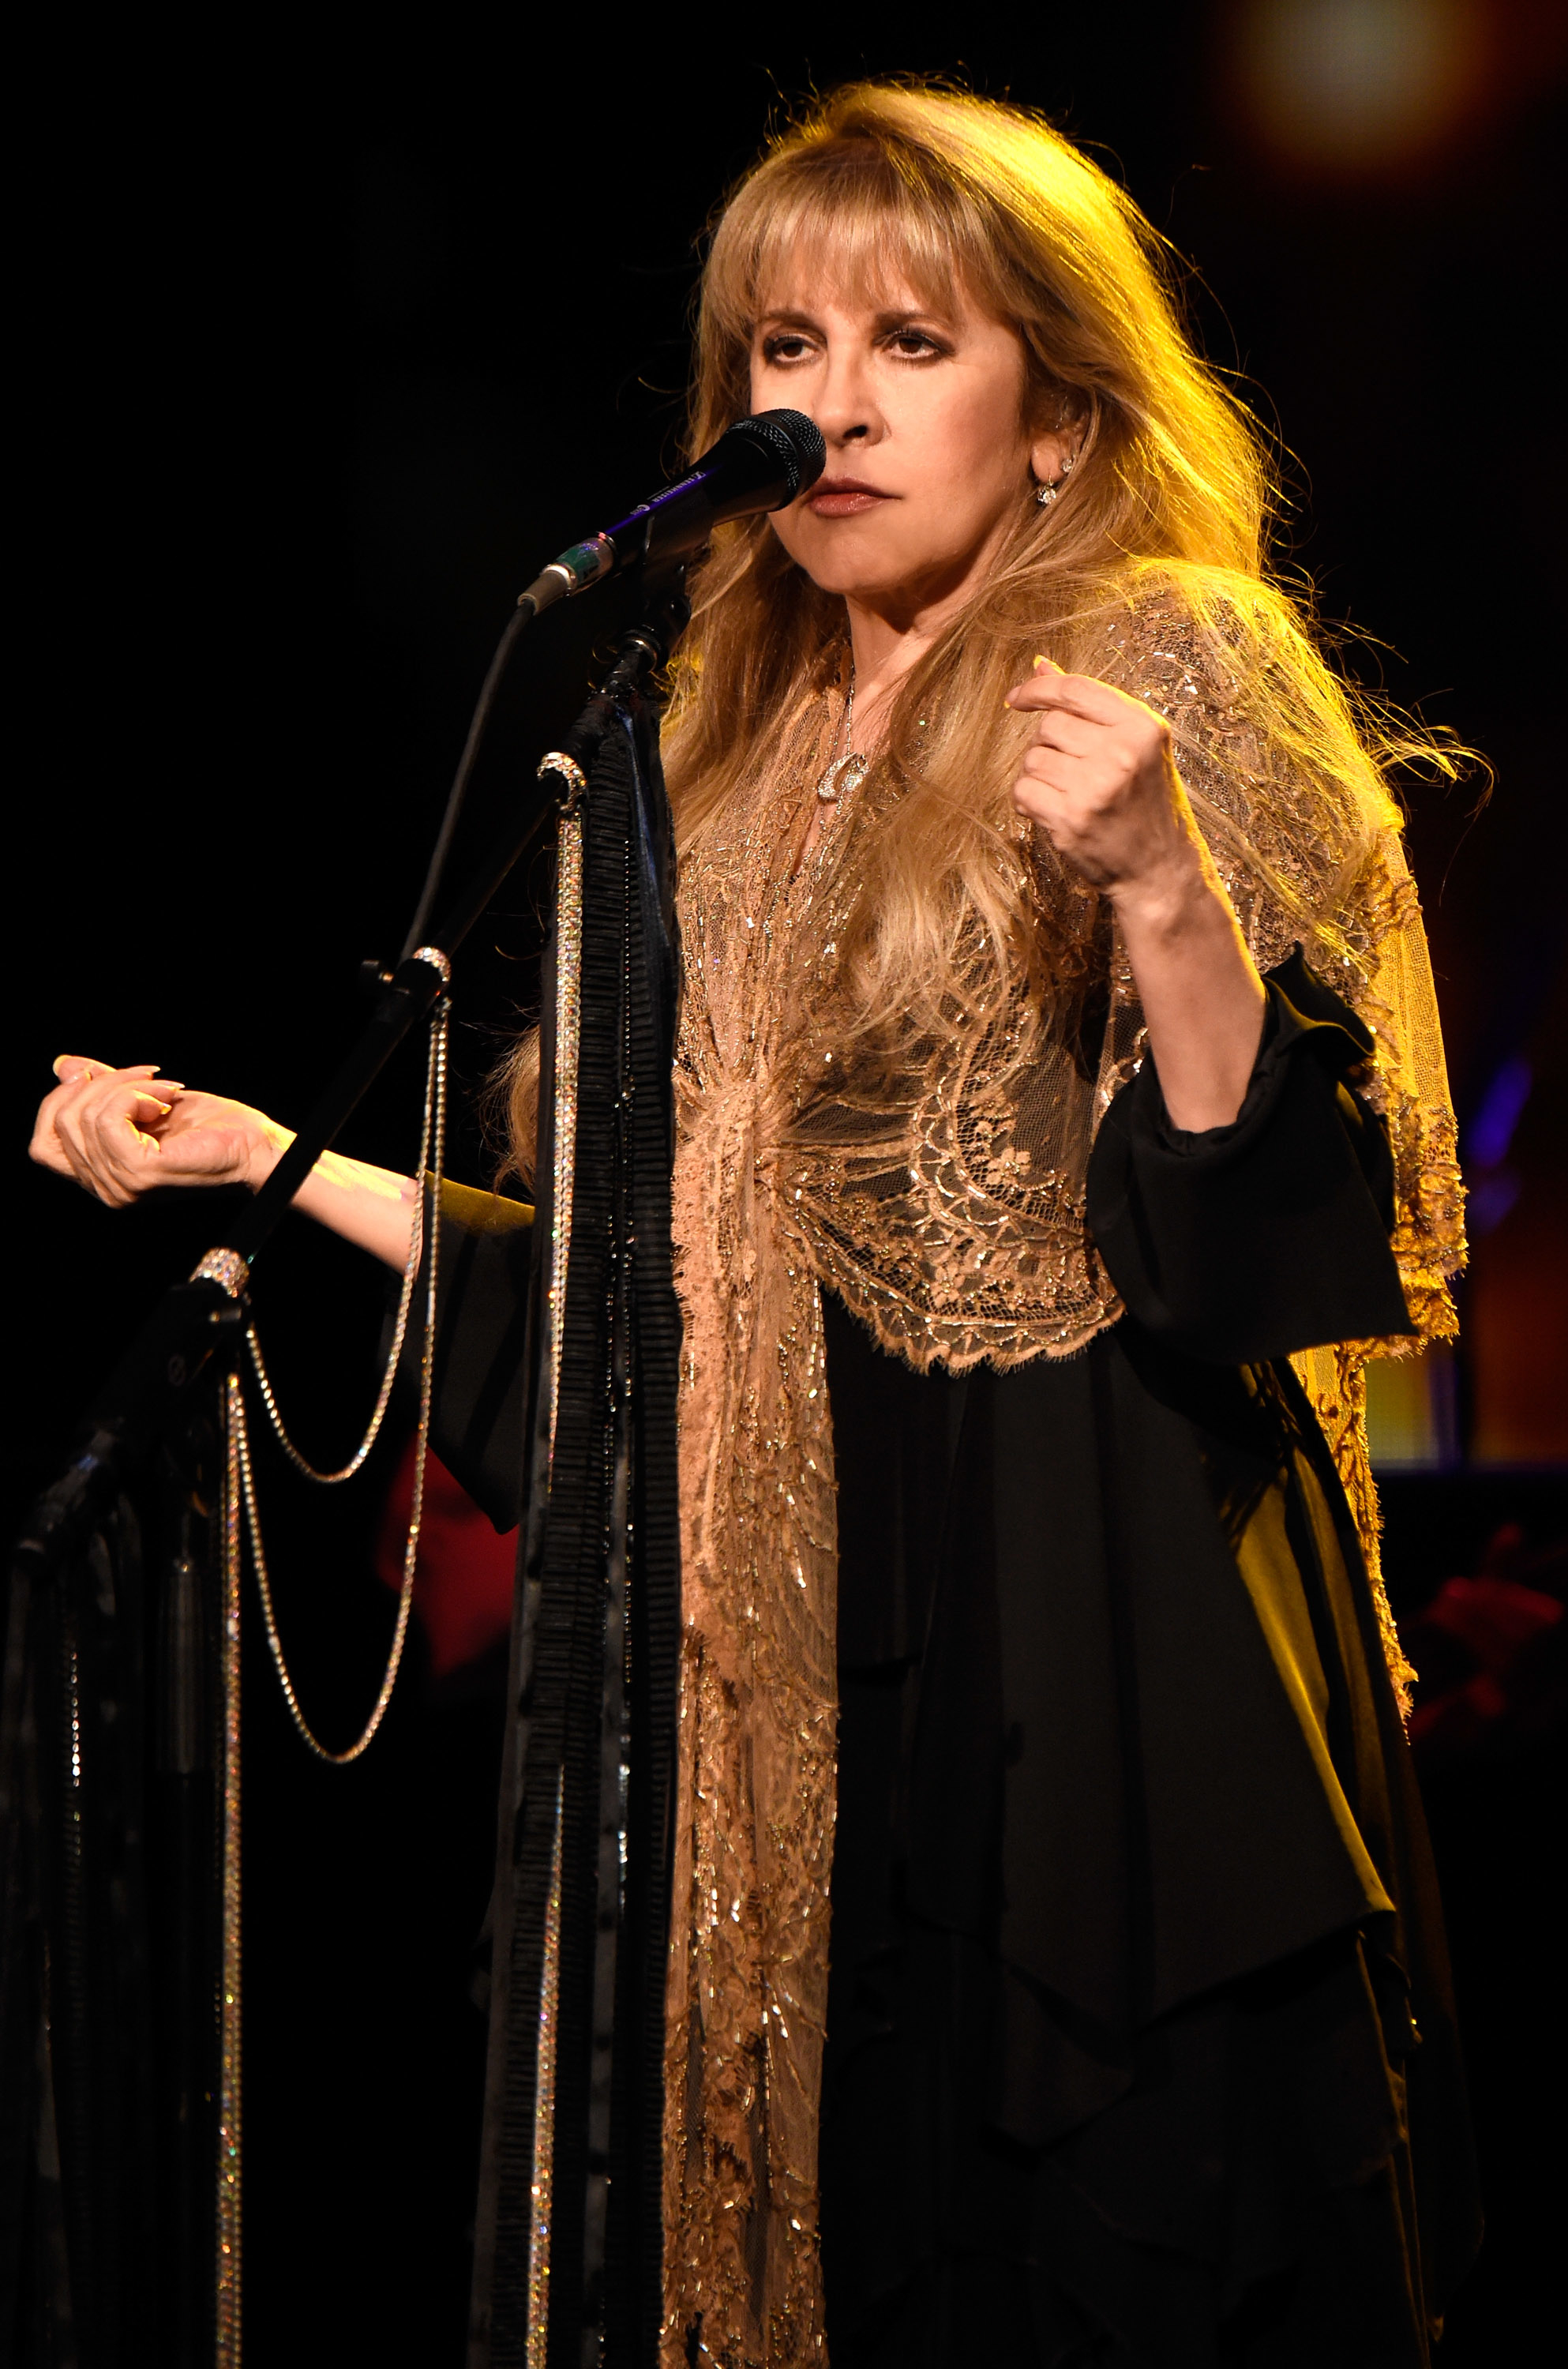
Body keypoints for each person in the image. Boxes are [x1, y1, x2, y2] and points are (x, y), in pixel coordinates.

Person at [32, 81, 1478, 2369]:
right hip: (789, 1663)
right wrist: (270, 1162)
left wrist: (1165, 889)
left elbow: (1280, 1249)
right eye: (783, 353)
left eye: (911, 343)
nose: (827, 408)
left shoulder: (1171, 656)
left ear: (1062, 423)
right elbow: (653, 1282)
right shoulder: (705, 735)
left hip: (1084, 1624)